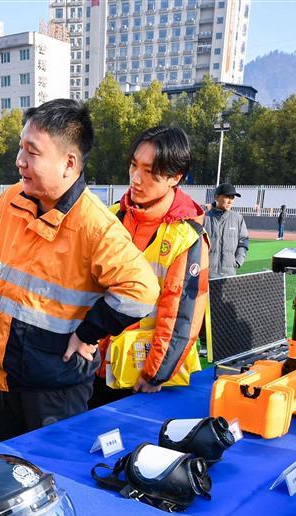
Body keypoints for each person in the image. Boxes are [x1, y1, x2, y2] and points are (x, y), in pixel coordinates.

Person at [0, 99, 159, 446]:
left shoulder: (94, 224)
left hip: (56, 388)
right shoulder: (11, 199)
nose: (19, 160)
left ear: (69, 163)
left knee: (52, 479)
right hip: (2, 374)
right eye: (20, 148)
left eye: (32, 152)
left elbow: (141, 290)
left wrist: (89, 333)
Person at [92, 126, 210, 407]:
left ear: (175, 178)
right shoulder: (111, 217)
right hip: (96, 367)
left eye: (150, 172)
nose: (136, 178)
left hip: (144, 380)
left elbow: (182, 318)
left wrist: (155, 374)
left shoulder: (186, 238)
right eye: (134, 165)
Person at [205, 182, 249, 278]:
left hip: (229, 274)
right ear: (216, 197)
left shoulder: (238, 218)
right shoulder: (204, 218)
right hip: (206, 273)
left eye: (232, 198)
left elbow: (243, 241)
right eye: (227, 197)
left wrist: (238, 261)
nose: (230, 201)